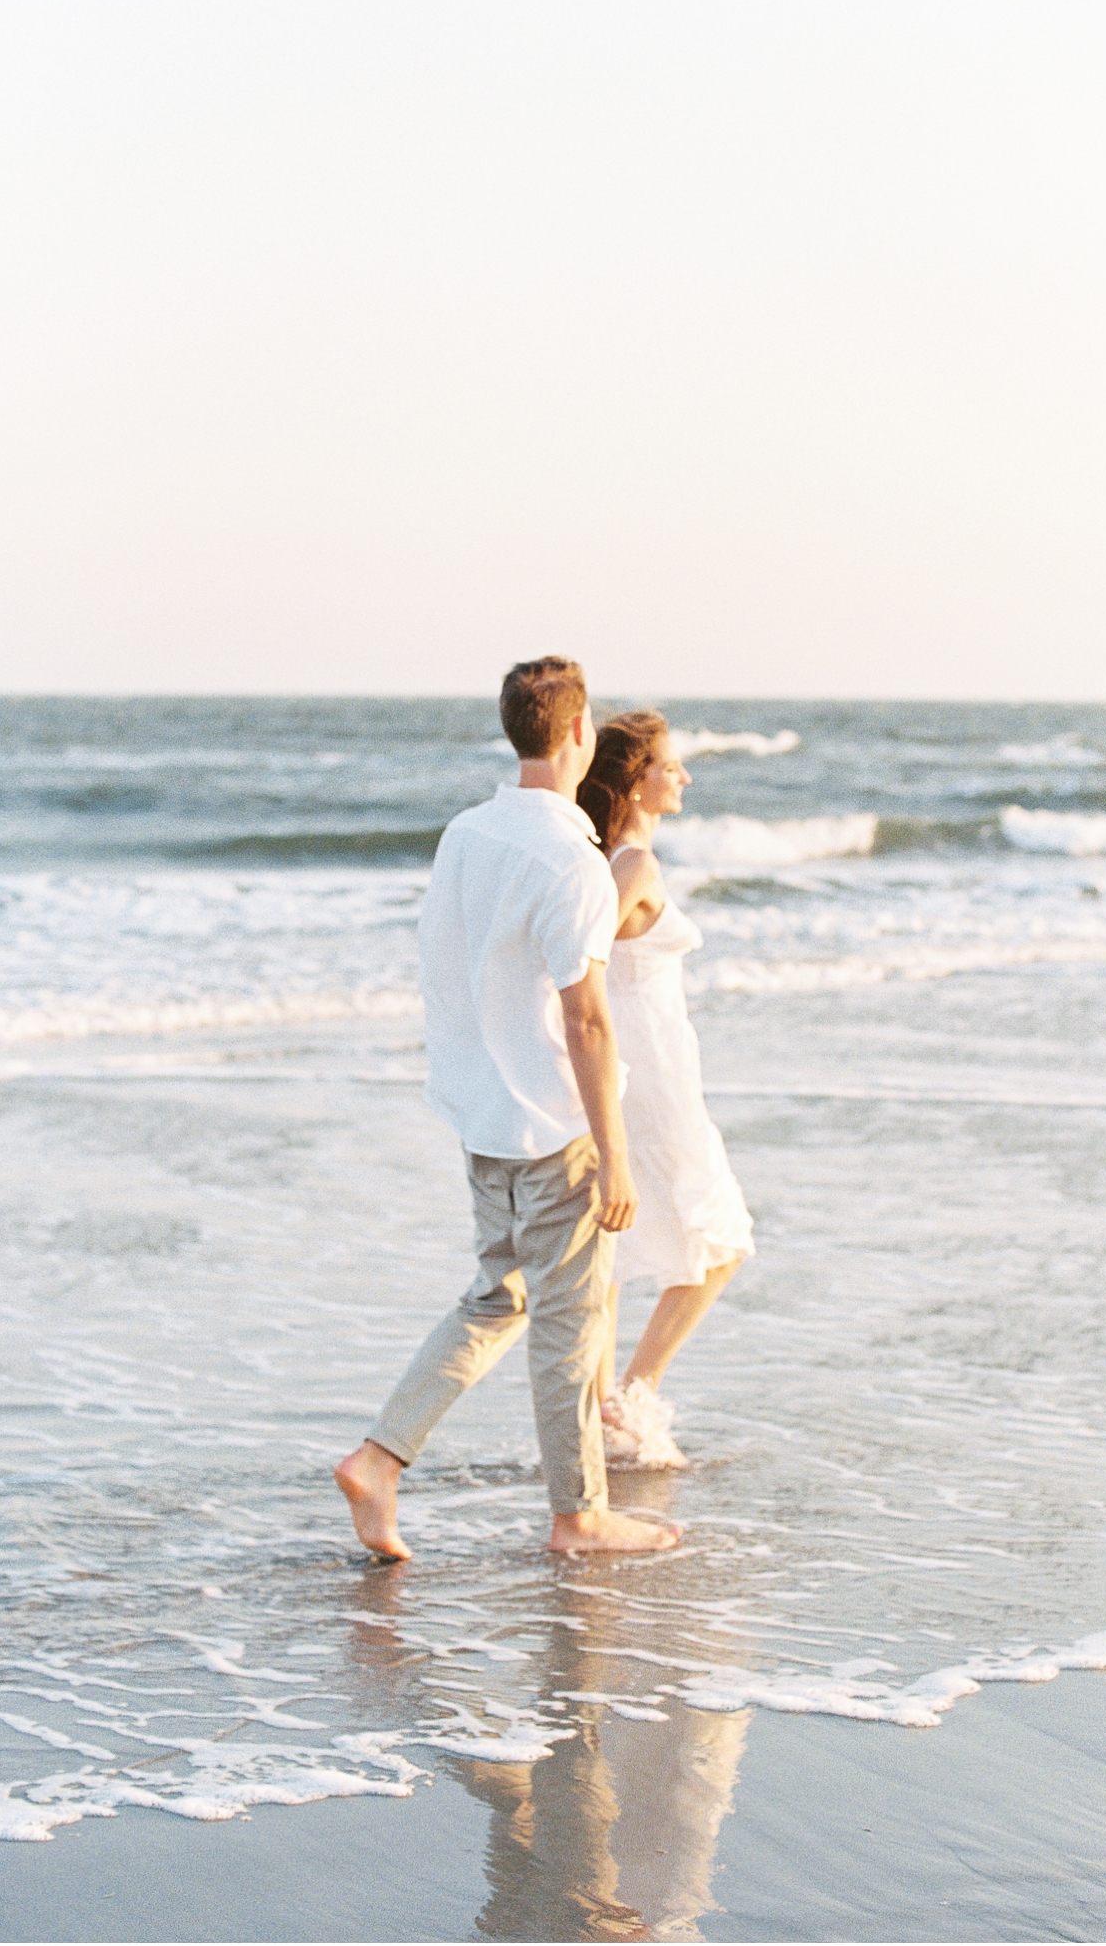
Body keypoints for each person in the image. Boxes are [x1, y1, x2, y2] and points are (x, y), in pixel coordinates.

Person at [334, 659, 681, 1558]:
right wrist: (616, 1154)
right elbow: (588, 1018)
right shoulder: (571, 860)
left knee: (500, 1297)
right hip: (551, 1123)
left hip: (482, 1114)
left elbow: (443, 964)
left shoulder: (466, 834)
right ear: (576, 734)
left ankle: (378, 1461)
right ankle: (580, 1516)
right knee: (572, 1322)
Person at [576, 712, 755, 1468]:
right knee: (721, 1240)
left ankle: (599, 1420)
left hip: (645, 1060)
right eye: (670, 765)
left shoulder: (615, 860)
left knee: (618, 1252)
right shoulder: (631, 867)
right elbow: (579, 958)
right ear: (633, 779)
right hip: (650, 1072)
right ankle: (632, 1398)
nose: (683, 777)